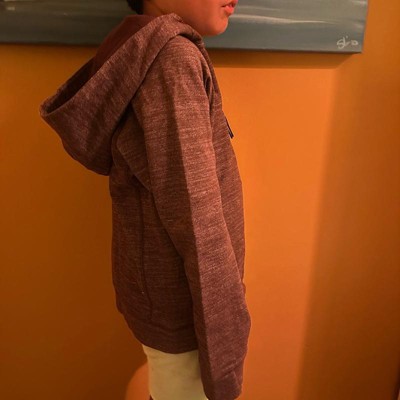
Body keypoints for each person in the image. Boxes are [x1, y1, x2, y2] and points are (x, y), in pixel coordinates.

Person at [39, 1, 250, 399]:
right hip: (188, 309)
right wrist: (226, 337)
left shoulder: (149, 48)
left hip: (171, 298)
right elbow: (197, 216)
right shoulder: (172, 60)